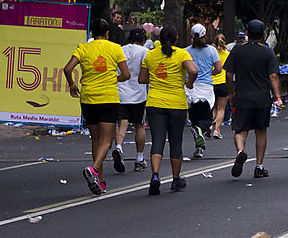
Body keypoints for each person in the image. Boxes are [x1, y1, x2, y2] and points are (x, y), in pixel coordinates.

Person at [64, 19, 131, 195]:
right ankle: (94, 169)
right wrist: (114, 79)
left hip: (88, 99)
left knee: (95, 140)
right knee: (107, 141)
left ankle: (100, 181)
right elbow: (126, 74)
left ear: (91, 32)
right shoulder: (115, 48)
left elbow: (67, 68)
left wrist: (72, 85)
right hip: (108, 98)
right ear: (107, 33)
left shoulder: (83, 48)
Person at [139, 27, 197, 195]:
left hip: (155, 103)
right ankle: (175, 179)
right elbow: (193, 70)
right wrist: (190, 83)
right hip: (176, 104)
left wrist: (158, 78)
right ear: (177, 38)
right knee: (175, 141)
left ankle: (155, 176)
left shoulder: (150, 55)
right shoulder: (181, 54)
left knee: (157, 140)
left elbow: (142, 79)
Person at [224, 19, 282, 178]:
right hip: (262, 97)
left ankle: (241, 152)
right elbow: (273, 76)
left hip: (242, 96)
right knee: (261, 131)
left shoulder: (237, 50)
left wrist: (231, 93)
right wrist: (277, 97)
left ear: (247, 33)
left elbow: (229, 74)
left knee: (240, 130)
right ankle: (259, 166)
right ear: (264, 34)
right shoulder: (267, 51)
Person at [113, 28, 149, 173]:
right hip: (139, 94)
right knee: (139, 126)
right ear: (143, 40)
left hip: (121, 92)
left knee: (122, 123)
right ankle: (139, 159)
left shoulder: (120, 50)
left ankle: (119, 148)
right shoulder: (144, 52)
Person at [185, 24, 222, 159]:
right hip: (206, 87)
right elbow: (219, 68)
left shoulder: (185, 51)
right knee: (207, 118)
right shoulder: (212, 50)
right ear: (205, 35)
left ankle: (199, 148)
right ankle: (200, 134)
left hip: (190, 87)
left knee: (194, 117)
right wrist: (210, 73)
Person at [211, 33, 231, 139]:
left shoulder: (211, 53)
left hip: (211, 83)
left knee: (213, 107)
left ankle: (210, 125)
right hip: (223, 83)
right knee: (221, 109)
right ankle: (217, 129)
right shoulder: (227, 54)